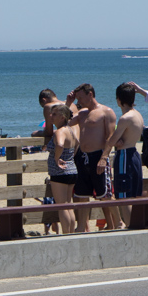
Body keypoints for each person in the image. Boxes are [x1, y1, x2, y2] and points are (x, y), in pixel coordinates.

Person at [66, 84, 116, 232]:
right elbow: (64, 122)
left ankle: (114, 224)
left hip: (98, 156)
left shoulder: (106, 112)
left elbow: (110, 137)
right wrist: (68, 103)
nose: (79, 101)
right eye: (77, 98)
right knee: (82, 194)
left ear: (90, 95)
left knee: (104, 194)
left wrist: (104, 157)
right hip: (83, 157)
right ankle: (82, 227)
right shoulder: (81, 114)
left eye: (80, 97)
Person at [99, 83, 145, 226]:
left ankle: (131, 226)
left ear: (119, 99)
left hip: (125, 155)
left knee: (124, 197)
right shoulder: (138, 115)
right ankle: (135, 224)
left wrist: (105, 154)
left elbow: (112, 140)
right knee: (134, 195)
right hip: (134, 154)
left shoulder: (125, 118)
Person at [46, 104, 78, 234]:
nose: (51, 116)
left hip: (60, 173)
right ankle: (70, 233)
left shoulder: (60, 131)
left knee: (62, 206)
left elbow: (59, 144)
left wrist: (56, 159)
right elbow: (77, 144)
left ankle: (66, 233)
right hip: (71, 170)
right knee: (68, 205)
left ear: (62, 117)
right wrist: (70, 158)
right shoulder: (70, 130)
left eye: (54, 114)